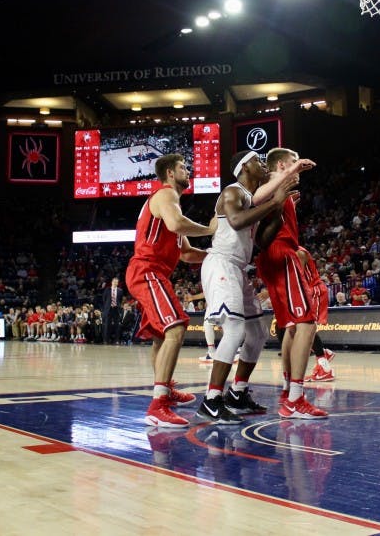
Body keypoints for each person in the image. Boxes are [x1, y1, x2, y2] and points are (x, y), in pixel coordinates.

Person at [195, 150, 297, 424]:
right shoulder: (232, 192)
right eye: (257, 161)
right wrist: (273, 201)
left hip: (238, 268)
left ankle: (238, 393)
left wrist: (279, 211)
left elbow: (261, 242)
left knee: (258, 333)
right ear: (243, 167)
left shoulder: (250, 200)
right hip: (221, 264)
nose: (262, 164)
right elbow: (238, 220)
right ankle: (212, 400)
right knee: (236, 329)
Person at [127, 153, 214, 428]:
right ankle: (158, 404)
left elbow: (187, 254)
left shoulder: (171, 206)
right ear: (169, 173)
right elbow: (177, 225)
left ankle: (165, 387)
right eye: (182, 168)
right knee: (176, 327)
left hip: (153, 272)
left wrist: (216, 254)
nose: (187, 171)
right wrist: (212, 229)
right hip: (147, 270)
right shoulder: (166, 195)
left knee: (160, 336)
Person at [256, 147, 328, 419]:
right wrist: (291, 172)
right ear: (283, 164)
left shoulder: (281, 190)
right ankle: (296, 398)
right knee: (307, 323)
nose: (299, 168)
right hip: (281, 254)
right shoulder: (273, 183)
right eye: (294, 162)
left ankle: (288, 390)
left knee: (291, 326)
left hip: (274, 255)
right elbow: (257, 198)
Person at [101, 276, 125, 344]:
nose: (115, 283)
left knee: (117, 325)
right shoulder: (107, 289)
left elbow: (120, 300)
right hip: (108, 309)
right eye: (114, 281)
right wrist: (108, 306)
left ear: (118, 283)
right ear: (112, 282)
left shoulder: (120, 290)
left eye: (116, 282)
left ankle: (116, 340)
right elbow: (104, 299)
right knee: (107, 325)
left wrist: (117, 305)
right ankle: (106, 340)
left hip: (116, 309)